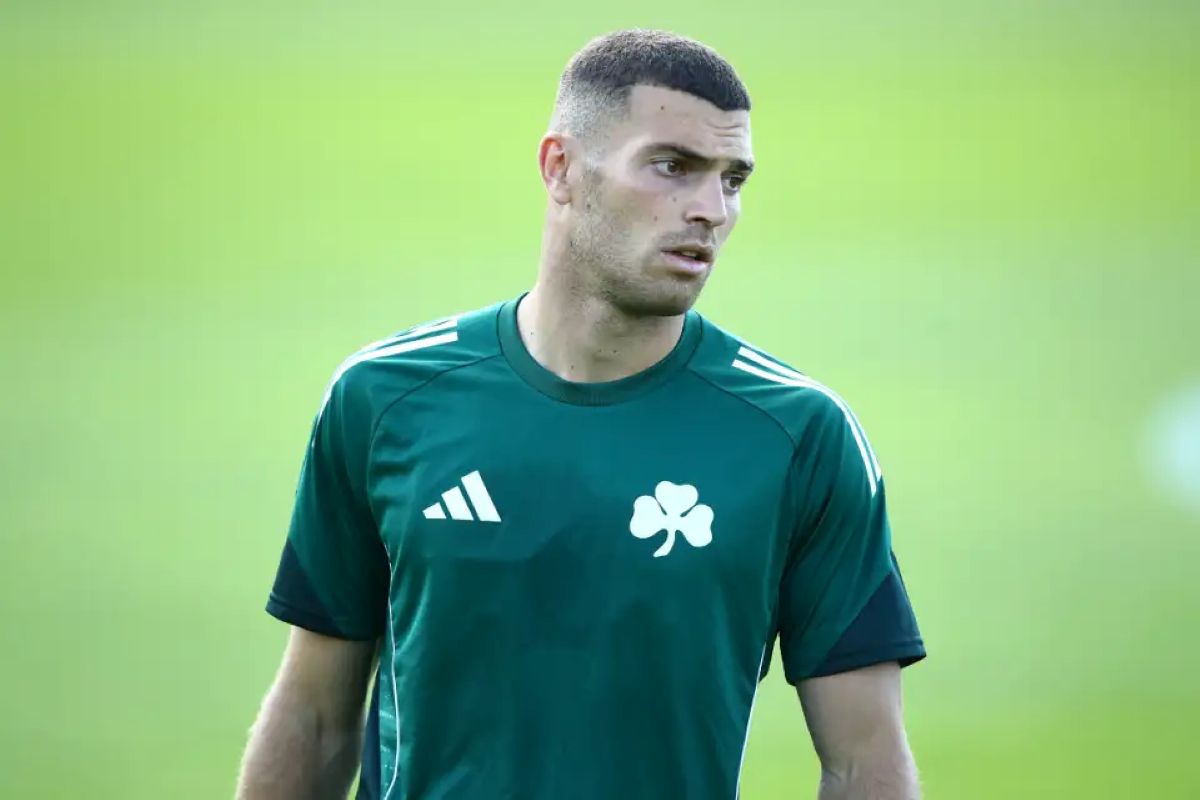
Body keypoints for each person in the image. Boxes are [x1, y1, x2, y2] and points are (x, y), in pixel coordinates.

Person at [237, 28, 926, 800]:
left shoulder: (799, 437)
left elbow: (864, 762)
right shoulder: (384, 399)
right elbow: (314, 719)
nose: (711, 210)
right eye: (673, 167)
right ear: (560, 168)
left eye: (732, 179)